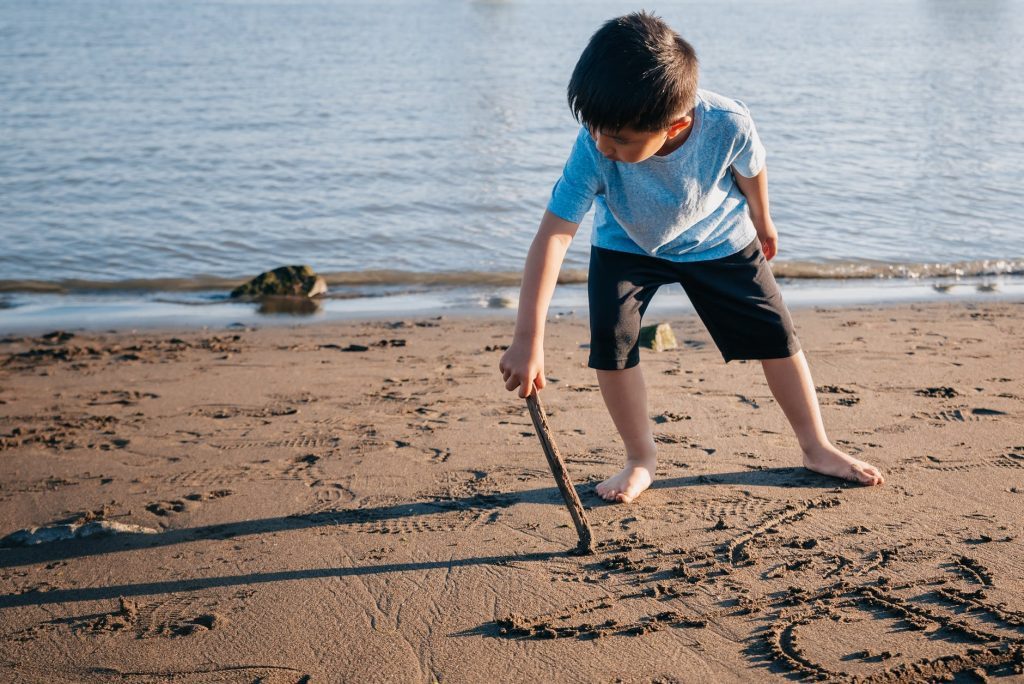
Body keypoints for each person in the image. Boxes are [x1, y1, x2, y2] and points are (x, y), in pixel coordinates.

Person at [498, 11, 885, 504]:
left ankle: (816, 446)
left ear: (675, 124)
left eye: (619, 139)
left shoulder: (728, 123)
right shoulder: (594, 147)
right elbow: (553, 235)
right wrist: (528, 339)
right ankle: (640, 458)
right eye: (594, 129)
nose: (602, 145)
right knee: (612, 344)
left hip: (718, 237)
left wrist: (764, 220)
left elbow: (751, 169)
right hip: (627, 243)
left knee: (777, 338)